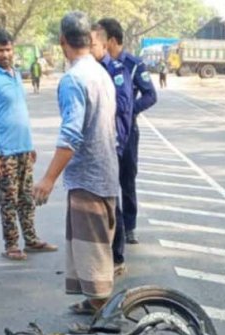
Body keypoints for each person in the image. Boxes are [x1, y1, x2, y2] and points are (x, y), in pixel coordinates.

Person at [32, 12, 119, 314]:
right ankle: (95, 303)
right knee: (96, 247)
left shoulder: (73, 79)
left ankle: (104, 318)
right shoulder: (99, 73)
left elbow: (71, 134)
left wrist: (47, 179)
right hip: (106, 174)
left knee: (91, 250)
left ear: (62, 41)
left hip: (88, 179)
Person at [0, 29, 57, 261]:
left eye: (9, 49)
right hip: (5, 152)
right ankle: (12, 244)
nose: (5, 54)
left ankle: (31, 239)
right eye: (0, 50)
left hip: (24, 148)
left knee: (26, 197)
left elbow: (19, 112)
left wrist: (30, 145)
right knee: (9, 199)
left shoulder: (15, 74)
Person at [94, 18, 156, 276]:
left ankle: (129, 225)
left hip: (128, 132)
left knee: (127, 180)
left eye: (99, 38)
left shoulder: (133, 65)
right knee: (108, 182)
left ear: (110, 40)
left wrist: (129, 113)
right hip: (106, 134)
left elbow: (151, 95)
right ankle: (111, 231)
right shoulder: (98, 66)